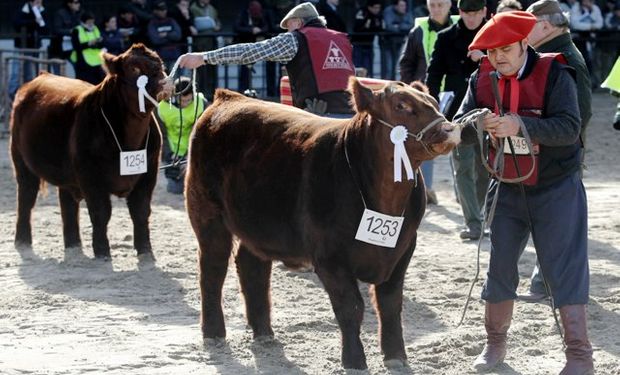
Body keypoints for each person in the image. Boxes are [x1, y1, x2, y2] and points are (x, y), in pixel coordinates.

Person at [454, 11, 593, 374]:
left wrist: (521, 124)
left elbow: (569, 127)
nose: (498, 57)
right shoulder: (480, 78)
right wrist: (477, 123)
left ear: (523, 44)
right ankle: (494, 344)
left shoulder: (557, 73)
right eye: (491, 51)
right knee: (499, 267)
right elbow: (458, 128)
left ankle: (580, 356)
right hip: (506, 187)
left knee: (564, 270)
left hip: (556, 186)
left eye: (505, 49)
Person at [518, 0, 593, 302]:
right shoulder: (556, 54)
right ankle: (543, 283)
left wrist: (549, 137)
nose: (524, 32)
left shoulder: (566, 59)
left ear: (545, 26)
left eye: (528, 25)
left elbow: (581, 114)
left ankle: (546, 284)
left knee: (556, 223)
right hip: (556, 151)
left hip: (559, 154)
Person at [177, 2, 355, 116]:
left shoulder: (295, 38)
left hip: (319, 118)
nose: (287, 31)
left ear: (300, 23)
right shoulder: (342, 39)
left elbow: (250, 51)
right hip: (352, 115)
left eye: (289, 25)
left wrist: (205, 57)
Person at [425, 0, 488, 239]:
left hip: (489, 109)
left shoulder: (494, 35)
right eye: (466, 13)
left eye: (475, 13)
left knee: (485, 168)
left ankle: (480, 213)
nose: (471, 18)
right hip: (457, 112)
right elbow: (434, 74)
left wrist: (484, 58)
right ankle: (473, 221)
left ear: (484, 12)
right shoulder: (445, 37)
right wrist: (432, 106)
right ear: (459, 12)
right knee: (462, 167)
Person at [399, 0, 458, 205]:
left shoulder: (462, 24)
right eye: (432, 5)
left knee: (458, 138)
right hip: (425, 97)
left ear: (450, 5)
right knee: (425, 140)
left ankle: (461, 194)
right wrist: (409, 92)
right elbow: (406, 62)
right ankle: (427, 189)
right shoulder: (419, 30)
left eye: (440, 4)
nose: (436, 9)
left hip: (456, 92)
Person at [157, 77, 208, 194]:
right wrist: (169, 155)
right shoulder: (162, 108)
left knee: (196, 189)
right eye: (182, 100)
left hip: (193, 151)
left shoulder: (201, 104)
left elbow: (199, 134)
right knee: (175, 190)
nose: (185, 104)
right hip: (172, 152)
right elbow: (162, 135)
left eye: (189, 100)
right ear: (175, 96)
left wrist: (188, 157)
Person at [9, 0, 48, 101]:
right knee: (16, 71)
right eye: (37, 2)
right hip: (21, 46)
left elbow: (45, 28)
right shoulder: (23, 9)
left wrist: (39, 17)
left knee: (30, 73)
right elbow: (16, 23)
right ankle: (12, 93)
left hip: (34, 46)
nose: (39, 4)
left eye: (40, 2)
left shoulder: (42, 11)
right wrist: (33, 20)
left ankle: (28, 95)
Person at [70, 11, 105, 85]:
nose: (91, 24)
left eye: (92, 22)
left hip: (96, 60)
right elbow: (76, 46)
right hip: (83, 61)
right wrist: (88, 44)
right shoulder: (77, 30)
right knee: (84, 83)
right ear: (83, 21)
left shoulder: (95, 28)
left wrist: (99, 42)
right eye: (89, 22)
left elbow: (101, 43)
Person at [381, 0, 413, 80]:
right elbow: (389, 26)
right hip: (387, 43)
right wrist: (402, 27)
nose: (403, 8)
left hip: (400, 43)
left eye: (404, 6)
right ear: (395, 6)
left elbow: (411, 25)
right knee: (389, 66)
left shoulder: (406, 12)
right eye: (401, 6)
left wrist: (398, 26)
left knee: (397, 67)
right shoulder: (388, 11)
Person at [48, 0, 82, 74]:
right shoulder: (60, 14)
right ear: (69, 3)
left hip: (71, 48)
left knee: (79, 67)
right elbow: (56, 29)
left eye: (79, 2)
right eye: (76, 2)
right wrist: (71, 31)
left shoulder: (78, 14)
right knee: (57, 73)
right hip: (58, 47)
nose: (78, 4)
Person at [147, 1, 182, 71]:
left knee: (174, 79)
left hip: (174, 55)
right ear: (155, 11)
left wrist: (166, 35)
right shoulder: (152, 23)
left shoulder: (171, 21)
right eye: (161, 10)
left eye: (165, 9)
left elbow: (178, 35)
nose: (164, 12)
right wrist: (171, 37)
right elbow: (155, 40)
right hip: (160, 56)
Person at [352, 0, 384, 78]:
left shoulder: (377, 16)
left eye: (378, 8)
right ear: (370, 7)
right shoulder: (362, 13)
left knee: (368, 67)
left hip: (369, 44)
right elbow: (357, 28)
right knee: (358, 66)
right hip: (358, 44)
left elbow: (380, 28)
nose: (377, 10)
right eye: (375, 8)